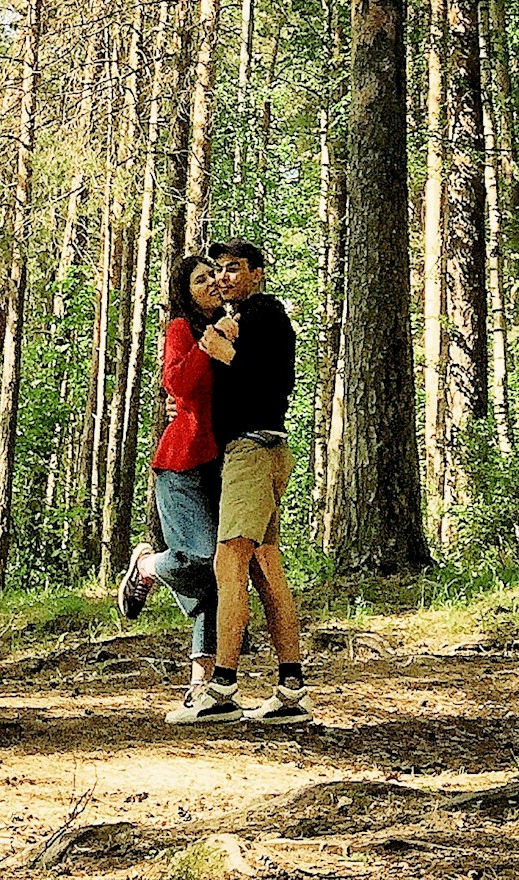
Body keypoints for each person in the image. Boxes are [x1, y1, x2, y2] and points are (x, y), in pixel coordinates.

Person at [167, 237, 310, 726]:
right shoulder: (243, 320)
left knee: (230, 564)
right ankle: (290, 690)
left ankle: (222, 688)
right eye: (218, 270)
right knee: (267, 569)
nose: (224, 278)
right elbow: (225, 387)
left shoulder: (262, 315)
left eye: (233, 269)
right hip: (259, 450)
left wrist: (221, 348)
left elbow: (269, 382)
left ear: (256, 273)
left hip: (253, 451)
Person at [115, 253, 222, 696]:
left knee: (217, 573)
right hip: (181, 463)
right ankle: (145, 566)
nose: (212, 284)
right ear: (186, 290)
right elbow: (176, 384)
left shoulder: (233, 325)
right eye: (201, 280)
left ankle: (202, 682)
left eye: (214, 277)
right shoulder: (182, 330)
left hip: (222, 464)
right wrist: (205, 346)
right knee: (199, 558)